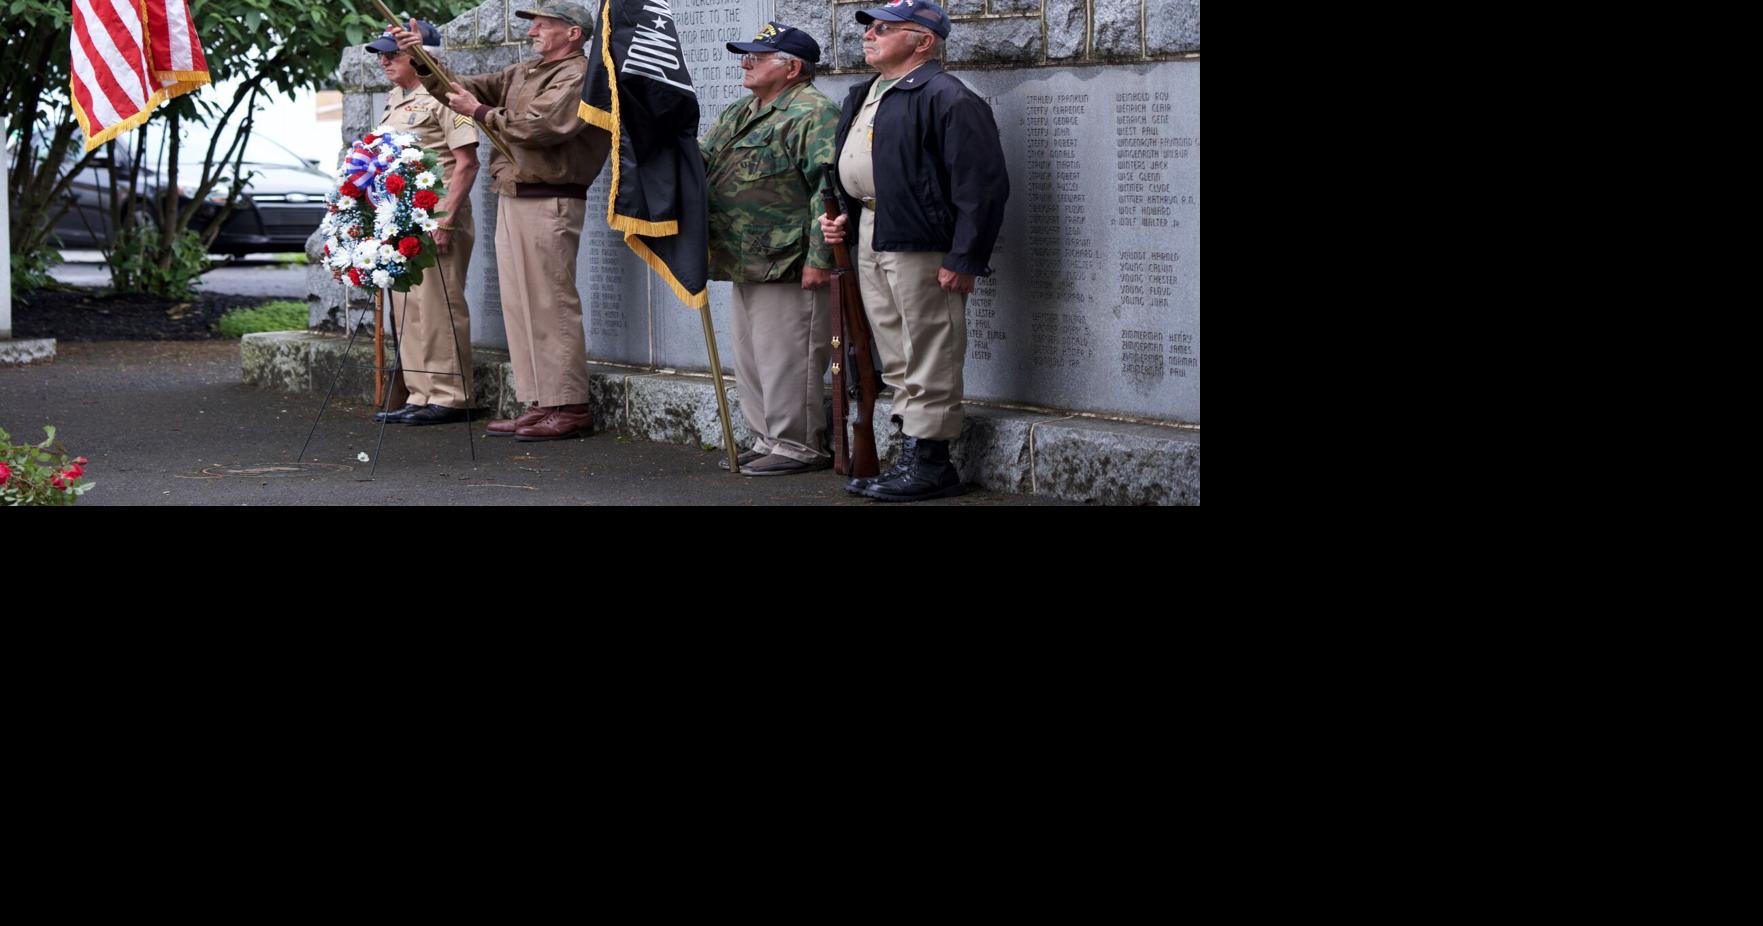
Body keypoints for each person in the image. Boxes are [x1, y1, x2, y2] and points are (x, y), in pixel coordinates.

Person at [391, 2, 609, 441]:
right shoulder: (524, 72)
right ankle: (540, 400)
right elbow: (460, 88)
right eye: (534, 25)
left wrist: (481, 113)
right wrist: (422, 60)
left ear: (572, 34)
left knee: (550, 304)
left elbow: (543, 126)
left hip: (550, 197)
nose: (534, 31)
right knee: (520, 305)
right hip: (516, 192)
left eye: (544, 25)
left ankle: (569, 405)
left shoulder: (578, 75)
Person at [820, 0, 1008, 501]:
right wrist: (842, 215)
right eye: (870, 27)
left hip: (923, 240)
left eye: (885, 29)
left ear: (923, 41)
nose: (870, 35)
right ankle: (909, 452)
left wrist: (964, 257)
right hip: (873, 230)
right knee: (896, 351)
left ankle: (931, 462)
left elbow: (981, 186)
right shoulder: (864, 93)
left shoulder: (947, 96)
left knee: (930, 348)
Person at [700, 22, 840, 476]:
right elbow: (704, 157)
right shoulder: (744, 110)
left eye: (757, 58)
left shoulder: (813, 111)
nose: (745, 63)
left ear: (792, 67)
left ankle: (799, 445)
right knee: (753, 356)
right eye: (747, 56)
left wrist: (820, 260)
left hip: (790, 258)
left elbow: (828, 189)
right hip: (744, 255)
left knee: (789, 356)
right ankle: (768, 438)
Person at [365, 21, 482, 426]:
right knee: (408, 308)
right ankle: (419, 393)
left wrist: (446, 222)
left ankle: (451, 395)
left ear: (423, 54)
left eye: (392, 54)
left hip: (437, 216)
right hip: (402, 218)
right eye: (381, 54)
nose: (384, 61)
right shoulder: (397, 96)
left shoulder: (446, 95)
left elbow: (467, 164)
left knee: (438, 307)